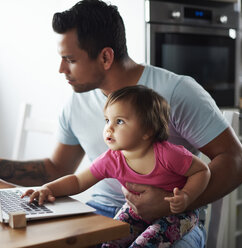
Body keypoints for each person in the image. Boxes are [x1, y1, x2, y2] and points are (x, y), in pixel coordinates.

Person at [0, 0, 242, 247]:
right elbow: (56, 169)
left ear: (106, 57)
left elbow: (237, 162)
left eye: (70, 60)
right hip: (100, 211)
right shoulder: (77, 101)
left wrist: (174, 202)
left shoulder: (176, 92)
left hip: (176, 220)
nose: (61, 69)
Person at [22, 85, 211, 247]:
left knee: (144, 244)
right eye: (107, 120)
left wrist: (186, 197)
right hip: (136, 211)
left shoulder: (169, 154)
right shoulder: (113, 158)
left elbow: (202, 170)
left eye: (119, 121)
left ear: (148, 130)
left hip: (179, 215)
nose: (109, 128)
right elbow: (79, 181)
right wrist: (48, 188)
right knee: (109, 241)